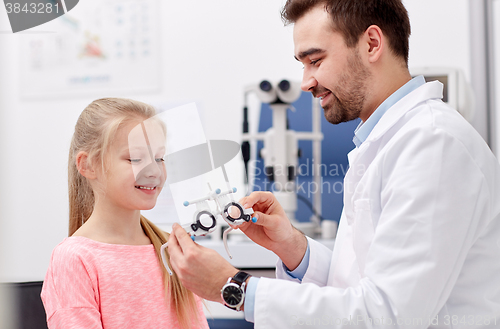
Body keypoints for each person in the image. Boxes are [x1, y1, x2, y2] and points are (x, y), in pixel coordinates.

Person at [166, 0, 500, 328]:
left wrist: (235, 287)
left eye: (315, 60)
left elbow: (388, 316)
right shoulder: (384, 141)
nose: (306, 82)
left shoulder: (433, 144)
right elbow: (360, 283)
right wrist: (292, 246)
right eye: (303, 65)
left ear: (371, 43)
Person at [41, 98, 209, 329]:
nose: (153, 171)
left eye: (159, 158)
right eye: (135, 159)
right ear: (88, 165)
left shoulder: (171, 250)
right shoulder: (74, 259)